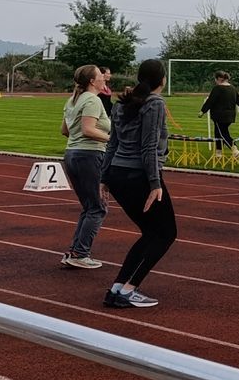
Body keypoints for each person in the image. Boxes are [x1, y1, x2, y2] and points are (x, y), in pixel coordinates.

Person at [101, 59, 176, 309]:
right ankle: (128, 290)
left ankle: (118, 288)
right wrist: (155, 184)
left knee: (151, 233)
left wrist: (104, 177)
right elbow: (148, 147)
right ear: (162, 79)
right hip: (139, 176)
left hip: (118, 174)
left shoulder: (122, 103)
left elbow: (112, 144)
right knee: (165, 234)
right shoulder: (155, 104)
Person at [59, 65, 111, 269]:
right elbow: (88, 129)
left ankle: (75, 251)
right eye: (100, 75)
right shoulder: (92, 100)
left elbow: (65, 130)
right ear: (92, 81)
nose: (104, 78)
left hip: (72, 154)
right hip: (89, 155)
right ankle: (80, 253)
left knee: (90, 207)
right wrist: (112, 139)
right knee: (97, 207)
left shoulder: (72, 100)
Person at [200, 71, 239, 150]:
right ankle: (219, 151)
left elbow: (210, 101)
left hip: (219, 116)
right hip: (230, 115)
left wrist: (202, 111)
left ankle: (234, 148)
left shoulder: (217, 88)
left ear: (218, 79)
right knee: (219, 132)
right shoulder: (233, 88)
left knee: (222, 134)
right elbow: (238, 100)